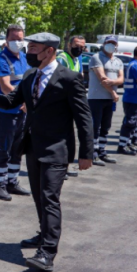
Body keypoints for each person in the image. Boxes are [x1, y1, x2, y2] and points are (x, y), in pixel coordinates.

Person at [0, 32, 94, 272]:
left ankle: (47, 253)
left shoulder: (69, 78)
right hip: (32, 147)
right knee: (38, 196)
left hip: (58, 150)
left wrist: (87, 153)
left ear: (49, 51)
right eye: (28, 47)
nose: (28, 51)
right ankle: (43, 234)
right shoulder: (30, 74)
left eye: (33, 48)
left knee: (49, 197)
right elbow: (12, 100)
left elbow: (83, 118)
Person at [0, 24, 31, 201]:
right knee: (3, 150)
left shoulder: (25, 58)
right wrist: (24, 101)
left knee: (17, 149)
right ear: (6, 40)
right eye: (14, 39)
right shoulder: (1, 60)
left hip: (22, 112)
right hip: (6, 112)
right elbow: (6, 87)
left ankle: (12, 182)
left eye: (20, 39)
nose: (17, 42)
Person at [87, 35, 124, 166]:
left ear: (116, 46)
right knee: (95, 127)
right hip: (96, 97)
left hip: (110, 99)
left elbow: (121, 79)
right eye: (108, 42)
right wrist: (113, 91)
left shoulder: (118, 61)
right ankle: (93, 153)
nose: (111, 45)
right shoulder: (96, 58)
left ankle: (102, 150)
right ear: (104, 44)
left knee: (106, 126)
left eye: (113, 43)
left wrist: (113, 82)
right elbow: (102, 78)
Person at [57, 35, 85, 177]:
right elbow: (60, 79)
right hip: (62, 102)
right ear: (69, 45)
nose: (79, 49)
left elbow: (79, 77)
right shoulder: (62, 58)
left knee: (69, 137)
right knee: (62, 137)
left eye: (82, 47)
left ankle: (65, 167)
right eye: (76, 46)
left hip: (71, 100)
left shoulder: (76, 59)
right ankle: (61, 167)